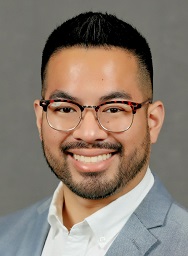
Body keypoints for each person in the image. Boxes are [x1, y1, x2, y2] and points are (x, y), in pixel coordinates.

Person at [0, 11, 188, 256]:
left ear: (152, 121)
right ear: (41, 119)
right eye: (65, 108)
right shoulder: (6, 235)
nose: (89, 133)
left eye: (113, 108)